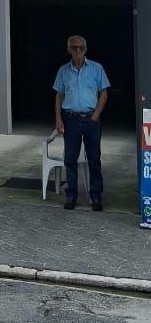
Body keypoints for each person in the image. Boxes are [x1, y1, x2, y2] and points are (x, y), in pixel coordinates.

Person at [53, 36, 109, 211]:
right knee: (70, 159)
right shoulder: (63, 71)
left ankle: (96, 197)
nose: (78, 51)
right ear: (68, 49)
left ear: (85, 49)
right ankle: (71, 196)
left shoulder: (96, 68)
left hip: (91, 119)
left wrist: (96, 115)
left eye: (81, 47)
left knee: (94, 159)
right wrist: (58, 119)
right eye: (75, 47)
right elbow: (59, 95)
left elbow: (104, 94)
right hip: (71, 119)